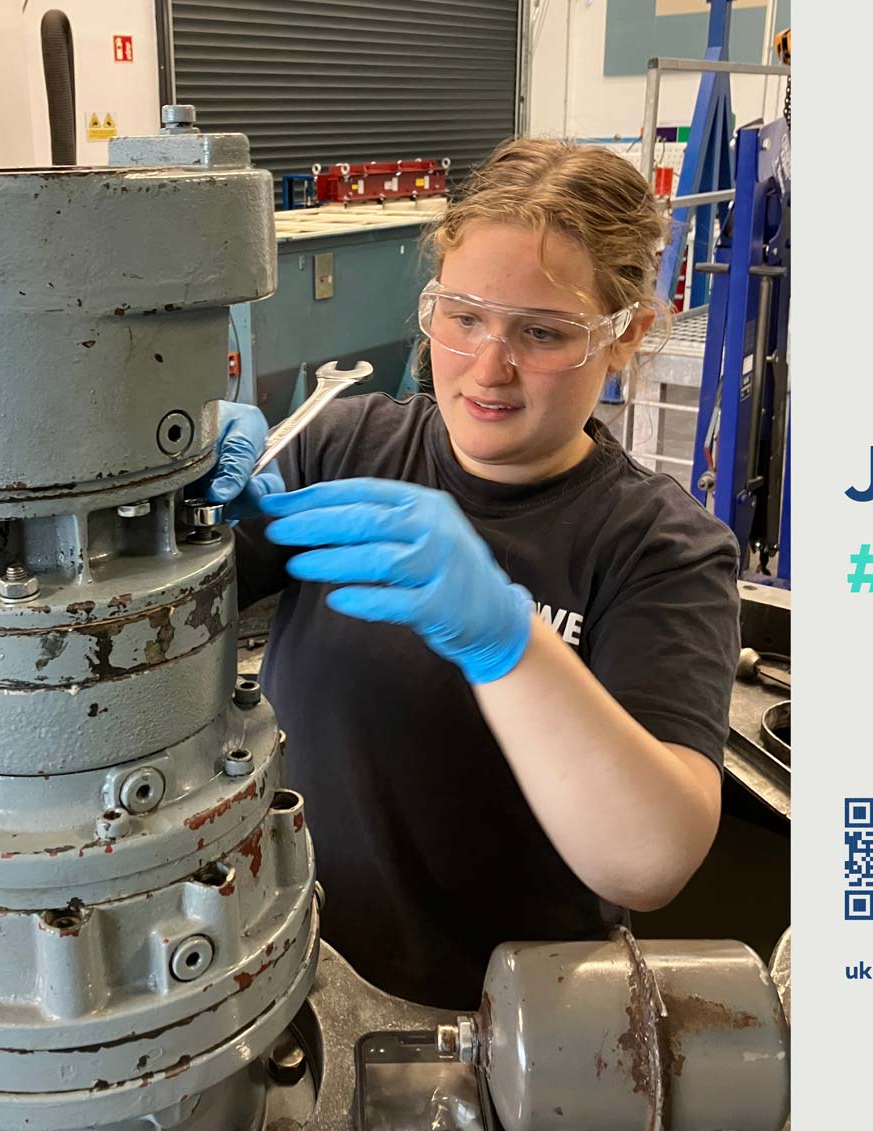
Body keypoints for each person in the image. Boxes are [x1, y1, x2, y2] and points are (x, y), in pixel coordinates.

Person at [208, 138, 741, 1009]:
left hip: (500, 1025)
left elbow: (649, 861)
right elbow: (144, 626)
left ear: (625, 338)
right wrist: (162, 495)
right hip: (288, 976)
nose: (489, 367)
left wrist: (509, 641)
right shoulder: (346, 446)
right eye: (463, 317)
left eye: (542, 332)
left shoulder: (660, 548)